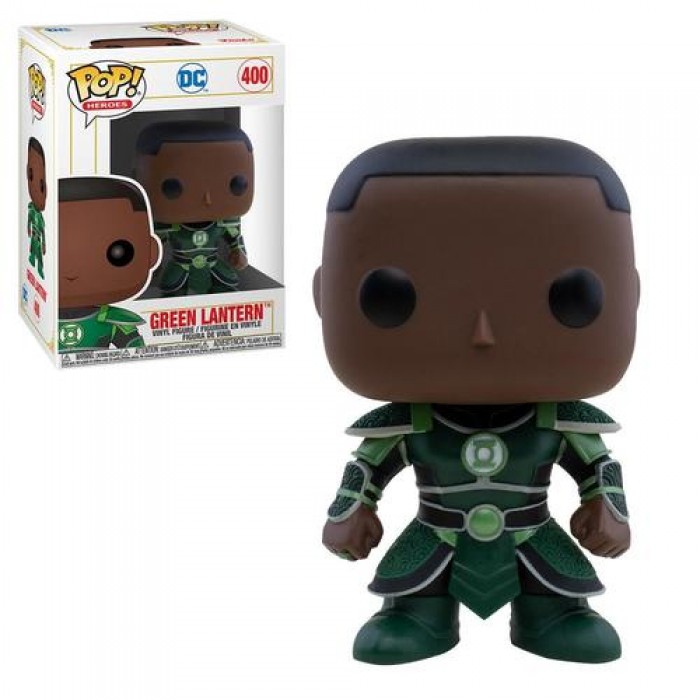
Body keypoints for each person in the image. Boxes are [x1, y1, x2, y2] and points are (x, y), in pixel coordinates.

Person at [315, 137, 638, 664]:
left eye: (569, 297)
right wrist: (350, 508)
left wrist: (608, 506)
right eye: (393, 297)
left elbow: (598, 466)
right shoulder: (409, 421)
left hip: (531, 535)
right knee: (412, 597)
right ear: (323, 296)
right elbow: (367, 466)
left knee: (557, 593)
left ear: (632, 294)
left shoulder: (560, 419)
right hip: (435, 535)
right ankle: (417, 613)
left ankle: (553, 614)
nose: (482, 334)